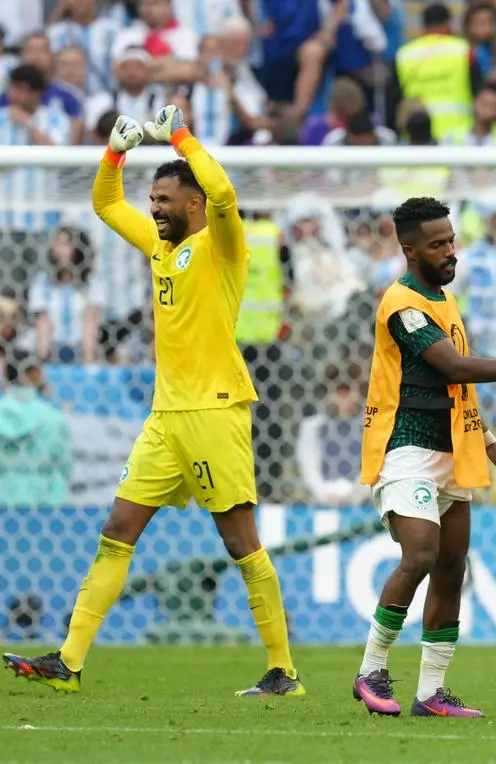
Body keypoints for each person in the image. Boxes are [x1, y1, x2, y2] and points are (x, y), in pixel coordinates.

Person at [3, 106, 302, 697]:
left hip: (215, 411)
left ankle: (282, 670)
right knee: (118, 527)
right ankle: (69, 660)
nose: (155, 209)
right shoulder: (161, 248)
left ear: (193, 204)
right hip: (165, 418)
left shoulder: (221, 243)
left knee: (240, 541)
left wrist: (182, 136)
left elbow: (221, 187)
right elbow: (106, 205)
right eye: (154, 199)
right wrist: (114, 154)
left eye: (164, 199)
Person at [353, 197, 496, 718]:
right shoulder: (402, 304)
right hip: (405, 446)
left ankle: (431, 691)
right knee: (421, 554)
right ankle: (371, 670)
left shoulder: (444, 300)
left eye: (452, 240)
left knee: (452, 565)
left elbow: (455, 390)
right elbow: (452, 366)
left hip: (453, 449)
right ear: (409, 250)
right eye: (437, 245)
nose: (450, 251)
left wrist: (490, 440)